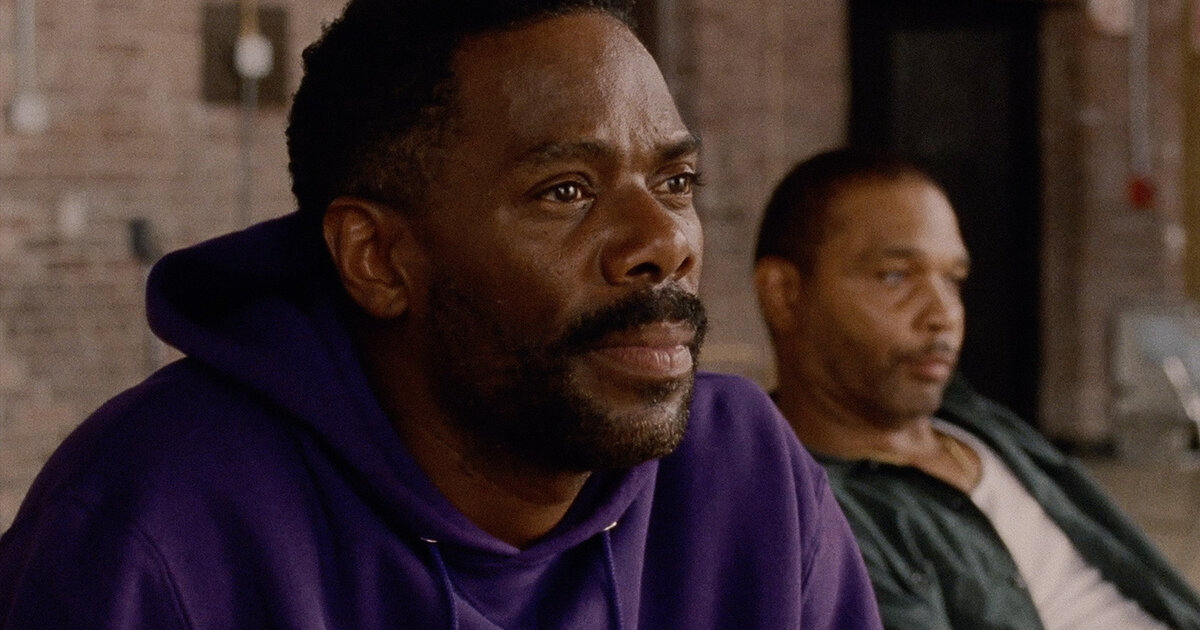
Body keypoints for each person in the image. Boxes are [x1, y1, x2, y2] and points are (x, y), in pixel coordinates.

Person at [0, 3, 883, 628]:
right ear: (379, 259)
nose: (663, 241)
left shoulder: (744, 473)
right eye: (567, 191)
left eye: (675, 181)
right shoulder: (151, 525)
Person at [753, 147, 1200, 630]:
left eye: (954, 280)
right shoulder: (808, 513)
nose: (943, 313)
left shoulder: (968, 419)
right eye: (895, 276)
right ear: (784, 294)